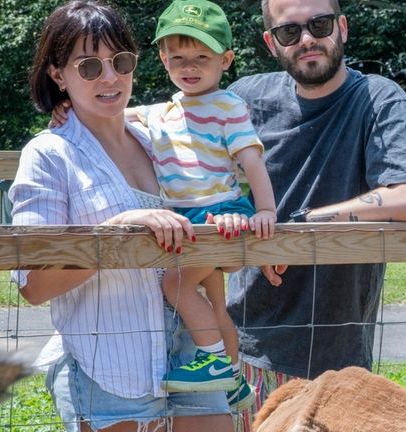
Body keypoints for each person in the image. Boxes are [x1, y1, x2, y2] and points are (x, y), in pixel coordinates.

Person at [10, 1, 235, 430]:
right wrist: (116, 232)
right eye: (89, 66)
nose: (110, 77)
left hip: (192, 355)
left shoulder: (162, 138)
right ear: (58, 75)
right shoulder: (49, 155)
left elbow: (218, 194)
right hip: (110, 366)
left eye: (121, 61)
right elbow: (34, 285)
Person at [220, 0, 406, 429]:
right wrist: (75, 109)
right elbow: (171, 134)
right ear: (271, 42)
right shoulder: (246, 99)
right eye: (289, 31)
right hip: (243, 340)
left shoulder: (377, 99)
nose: (306, 39)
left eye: (318, 24)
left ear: (341, 27)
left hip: (337, 359)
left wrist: (302, 224)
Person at [127, 0, 275, 411]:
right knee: (211, 295)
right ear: (162, 58)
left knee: (174, 285)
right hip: (186, 218)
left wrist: (265, 211)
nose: (189, 67)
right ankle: (232, 378)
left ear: (225, 60)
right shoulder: (163, 111)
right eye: (178, 58)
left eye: (202, 58)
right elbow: (113, 116)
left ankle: (211, 362)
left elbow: (251, 159)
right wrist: (70, 110)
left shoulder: (228, 106)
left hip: (221, 213)